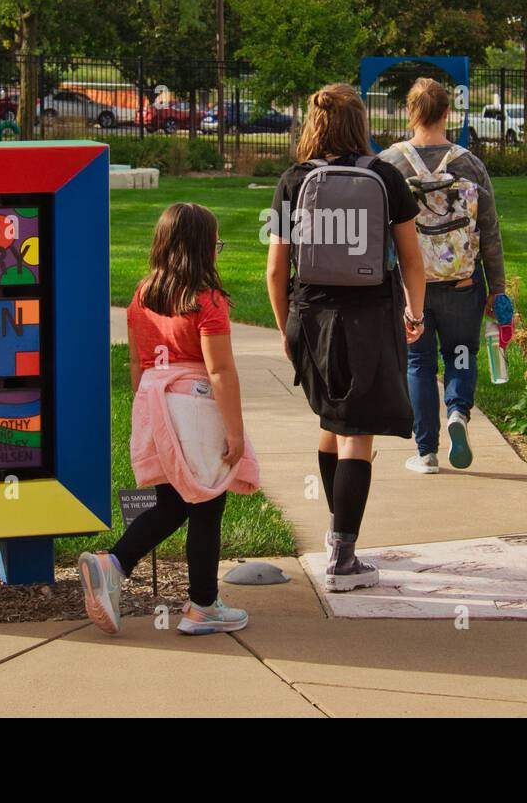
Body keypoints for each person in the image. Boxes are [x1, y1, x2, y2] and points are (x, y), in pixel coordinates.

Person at [265, 83, 426, 592]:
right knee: (358, 430)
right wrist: (415, 313)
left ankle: (340, 535)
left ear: (314, 125)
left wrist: (285, 327)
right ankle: (343, 558)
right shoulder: (386, 177)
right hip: (370, 316)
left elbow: (275, 268)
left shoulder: (291, 181)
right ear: (360, 123)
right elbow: (411, 258)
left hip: (310, 315)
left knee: (331, 421)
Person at [80, 202, 260, 636]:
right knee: (208, 504)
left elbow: (139, 366)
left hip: (155, 402)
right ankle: (203, 606)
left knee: (174, 503)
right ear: (201, 249)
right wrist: (235, 431)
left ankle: (115, 564)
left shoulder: (142, 294)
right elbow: (219, 370)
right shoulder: (207, 300)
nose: (218, 251)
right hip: (195, 405)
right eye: (215, 244)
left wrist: (151, 415)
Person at [379, 77, 507, 474]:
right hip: (463, 282)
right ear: (447, 113)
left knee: (418, 363)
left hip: (410, 285)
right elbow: (489, 230)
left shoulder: (389, 163)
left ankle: (426, 453)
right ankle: (458, 414)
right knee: (461, 355)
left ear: (409, 113)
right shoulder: (469, 163)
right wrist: (497, 288)